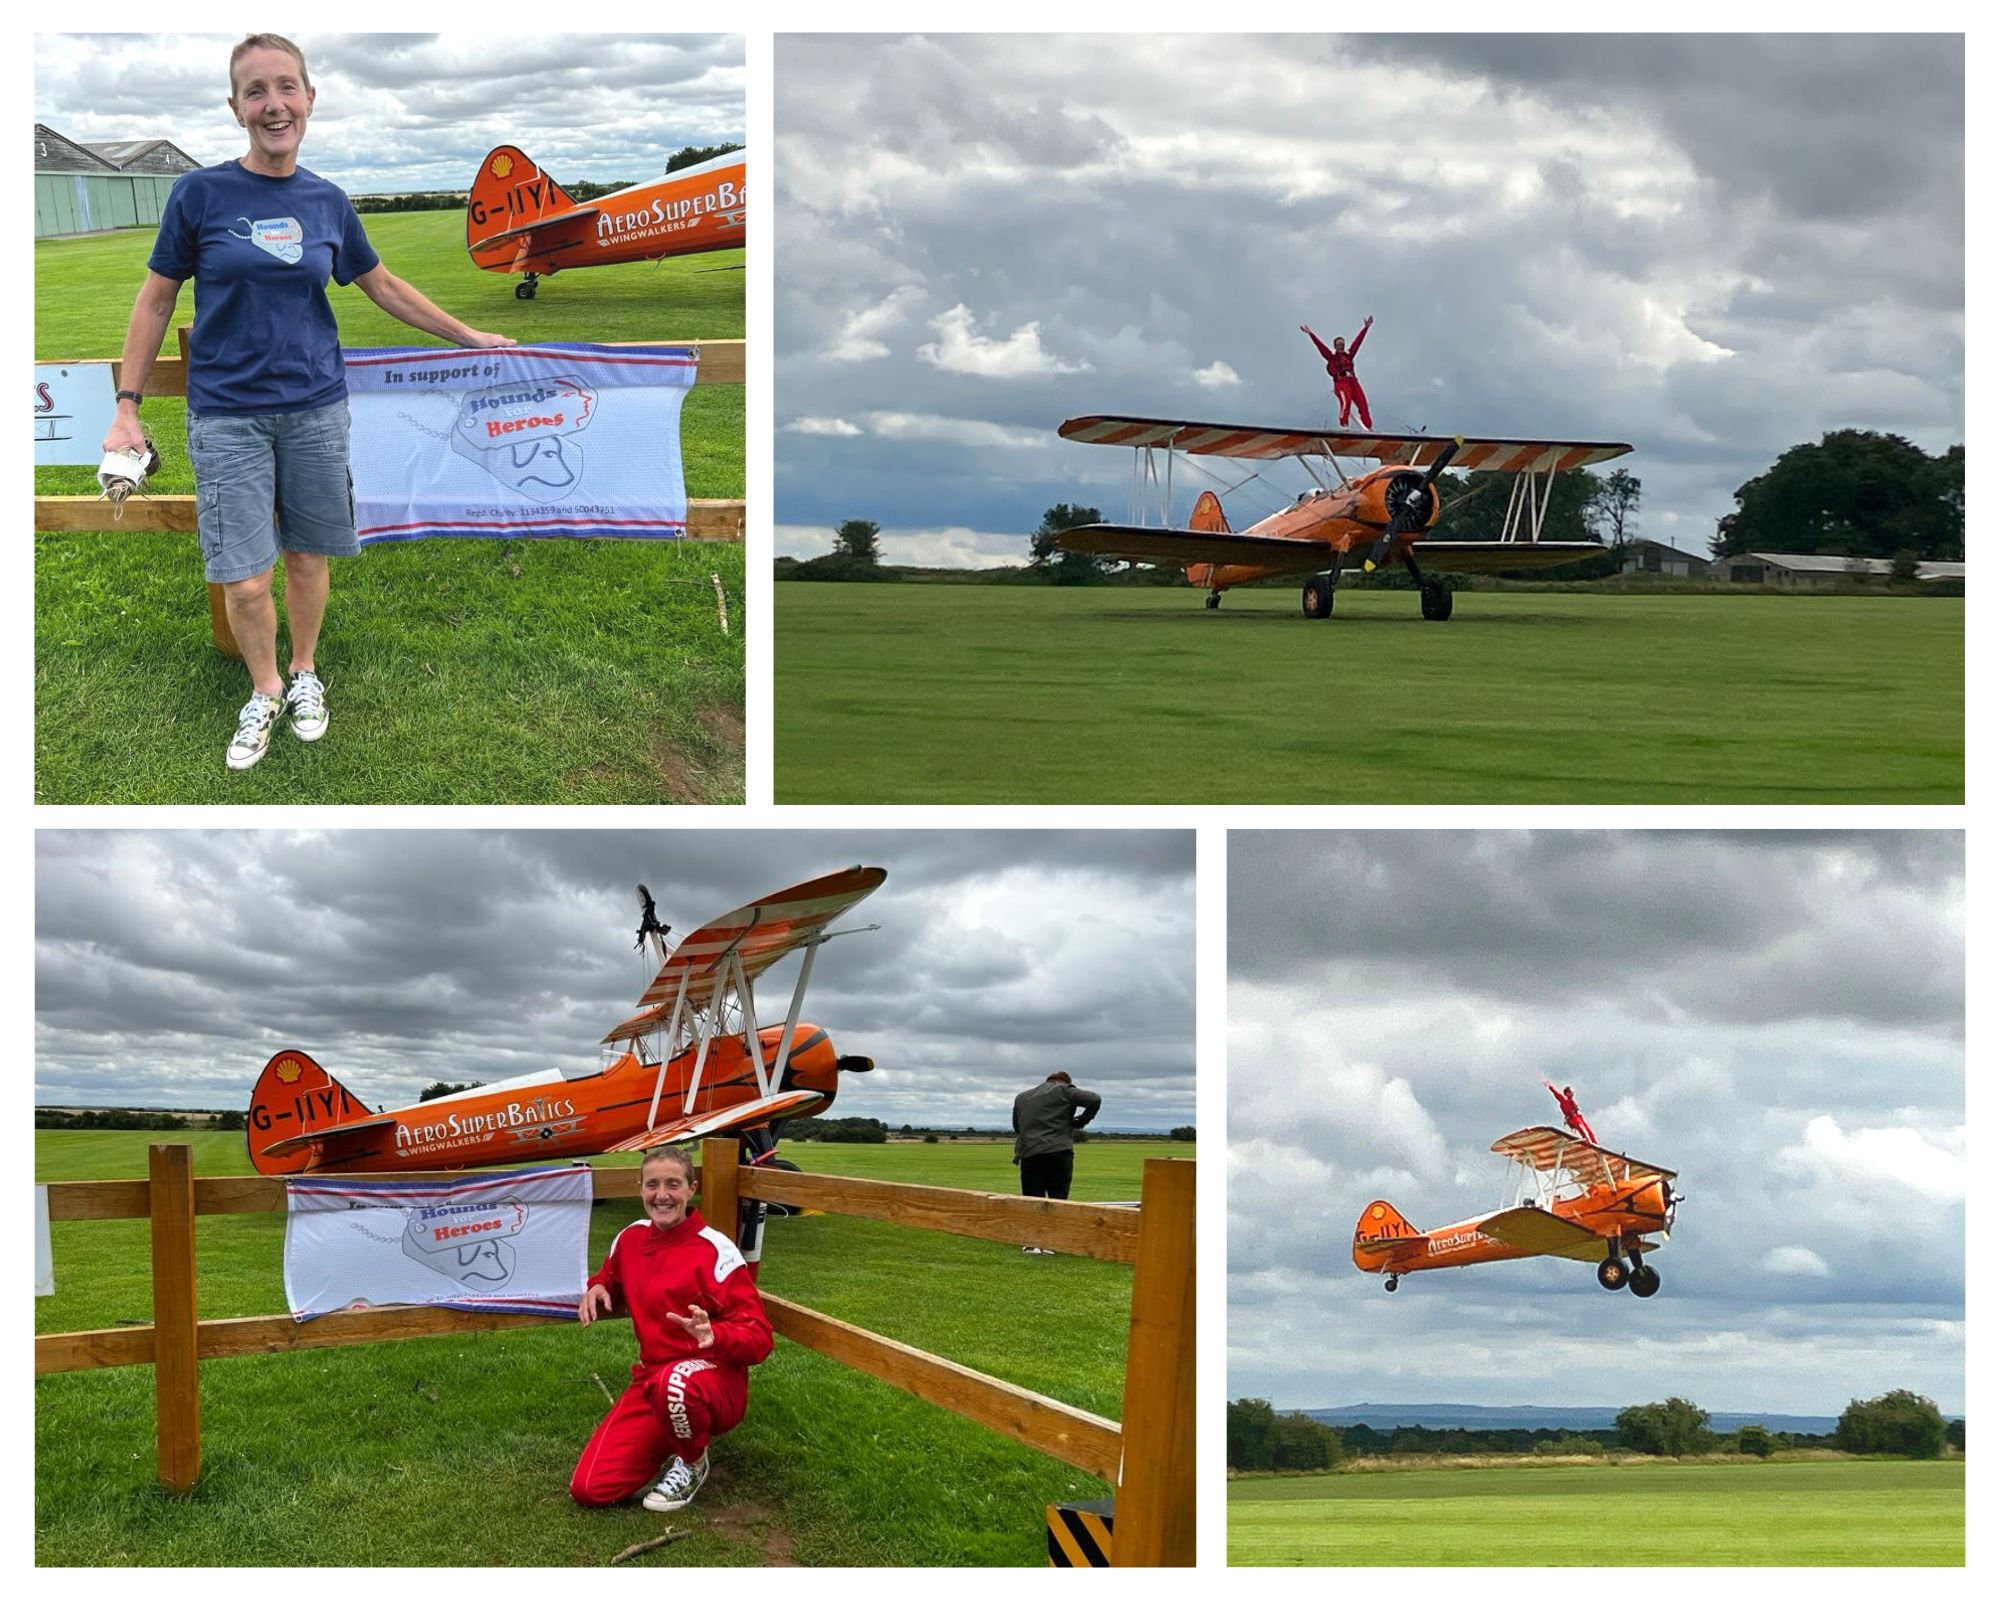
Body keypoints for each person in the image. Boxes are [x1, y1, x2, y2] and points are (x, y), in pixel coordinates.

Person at [104, 33, 514, 771]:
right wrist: (127, 403)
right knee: (244, 574)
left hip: (316, 410)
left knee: (306, 555)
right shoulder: (198, 195)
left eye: (286, 87)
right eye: (255, 91)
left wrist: (465, 334)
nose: (273, 104)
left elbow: (382, 286)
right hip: (226, 413)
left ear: (309, 99)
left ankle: (303, 673)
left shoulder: (327, 201)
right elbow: (156, 301)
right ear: (236, 109)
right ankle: (262, 690)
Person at [570, 1146, 773, 1513]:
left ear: (691, 1189)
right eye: (652, 1185)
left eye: (673, 1184)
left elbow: (760, 1338)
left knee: (675, 1382)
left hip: (715, 1380)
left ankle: (693, 1461)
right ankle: (674, 1429)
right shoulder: (630, 1238)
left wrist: (716, 1335)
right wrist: (598, 1285)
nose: (662, 1195)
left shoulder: (716, 1251)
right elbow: (611, 1274)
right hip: (652, 1380)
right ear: (640, 1188)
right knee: (591, 1489)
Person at [1012, 1070, 1100, 1252]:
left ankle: (1032, 1242)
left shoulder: (1022, 1097)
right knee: (1058, 1197)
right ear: (1065, 1082)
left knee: (1031, 1197)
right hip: (1059, 1151)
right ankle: (1052, 1243)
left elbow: (1017, 1126)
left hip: (1030, 1152)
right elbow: (1094, 1099)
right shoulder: (1064, 1091)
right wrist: (1081, 1121)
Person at [1299, 317, 1374, 430]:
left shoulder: (1349, 355)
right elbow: (1321, 347)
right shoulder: (1332, 358)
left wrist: (1365, 328)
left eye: (1342, 344)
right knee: (1346, 402)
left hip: (1353, 381)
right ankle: (1344, 425)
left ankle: (1369, 428)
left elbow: (1357, 343)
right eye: (1339, 344)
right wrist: (1311, 334)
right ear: (1335, 346)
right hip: (1341, 383)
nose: (1341, 346)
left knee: (1363, 403)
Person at [1544, 1080, 1598, 1145]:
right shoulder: (1564, 1100)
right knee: (1581, 1127)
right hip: (1573, 1117)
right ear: (1567, 1093)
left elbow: (1577, 1109)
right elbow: (1557, 1094)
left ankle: (1595, 1143)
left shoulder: (1572, 1101)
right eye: (1571, 1092)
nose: (1573, 1093)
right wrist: (1550, 1086)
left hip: (1578, 1117)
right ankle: (1587, 1139)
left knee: (1589, 1130)